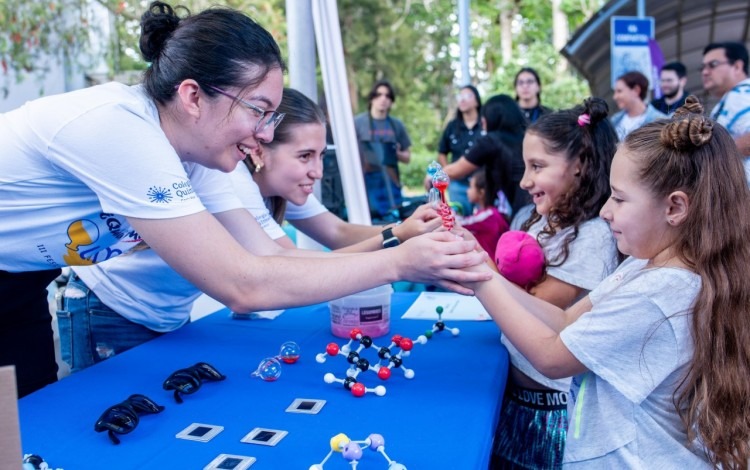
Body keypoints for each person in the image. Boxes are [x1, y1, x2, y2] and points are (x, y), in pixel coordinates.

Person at [0, 2, 489, 397]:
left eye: (272, 118)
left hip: (19, 278)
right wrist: (401, 260)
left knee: (25, 420)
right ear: (193, 97)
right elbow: (243, 285)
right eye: (259, 111)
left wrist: (400, 246)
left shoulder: (198, 153)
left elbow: (272, 258)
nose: (263, 135)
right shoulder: (120, 128)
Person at [61, 88, 442, 372]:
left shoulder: (283, 184)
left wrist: (407, 230)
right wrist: (398, 248)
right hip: (109, 306)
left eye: (321, 156)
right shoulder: (231, 179)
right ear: (260, 150)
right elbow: (279, 263)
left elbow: (338, 233)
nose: (318, 171)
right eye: (305, 156)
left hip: (166, 313)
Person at [471, 96, 750, 468]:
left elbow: (553, 356)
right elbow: (568, 321)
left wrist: (477, 279)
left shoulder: (660, 293)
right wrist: (482, 269)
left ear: (675, 207)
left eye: (618, 198)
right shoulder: (644, 264)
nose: (605, 211)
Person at [489, 98, 620, 469]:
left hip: (545, 412)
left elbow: (536, 310)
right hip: (515, 396)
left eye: (537, 166)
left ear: (579, 165)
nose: (524, 181)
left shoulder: (592, 237)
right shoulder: (541, 221)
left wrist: (479, 272)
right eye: (525, 166)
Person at [425, 95, 528, 220]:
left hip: (519, 209)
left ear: (491, 117)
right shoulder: (525, 137)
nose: (481, 120)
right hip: (534, 202)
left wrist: (433, 175)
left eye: (484, 115)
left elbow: (455, 170)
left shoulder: (490, 141)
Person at [353, 80, 412, 220]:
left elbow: (407, 157)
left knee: (393, 221)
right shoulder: (357, 123)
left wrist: (397, 153)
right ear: (372, 98)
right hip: (365, 183)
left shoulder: (397, 125)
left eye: (387, 96)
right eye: (379, 95)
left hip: (391, 184)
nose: (383, 99)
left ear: (391, 101)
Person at [701, 41, 750, 181]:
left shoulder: (743, 94)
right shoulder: (733, 96)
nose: (705, 72)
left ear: (737, 66)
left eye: (713, 65)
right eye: (703, 67)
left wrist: (715, 158)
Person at [437, 85, 483, 215]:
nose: (462, 100)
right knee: (460, 221)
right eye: (460, 96)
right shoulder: (452, 126)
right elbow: (442, 152)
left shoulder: (485, 124)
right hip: (458, 185)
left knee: (485, 223)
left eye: (467, 96)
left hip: (482, 185)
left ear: (477, 101)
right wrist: (449, 172)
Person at [457, 170, 508, 261]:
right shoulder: (486, 212)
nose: (467, 191)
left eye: (470, 187)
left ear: (481, 192)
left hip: (492, 265)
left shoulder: (489, 215)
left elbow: (461, 222)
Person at [610, 70, 667, 140]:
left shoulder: (659, 121)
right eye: (615, 92)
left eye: (619, 91)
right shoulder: (614, 120)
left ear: (636, 90)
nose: (615, 97)